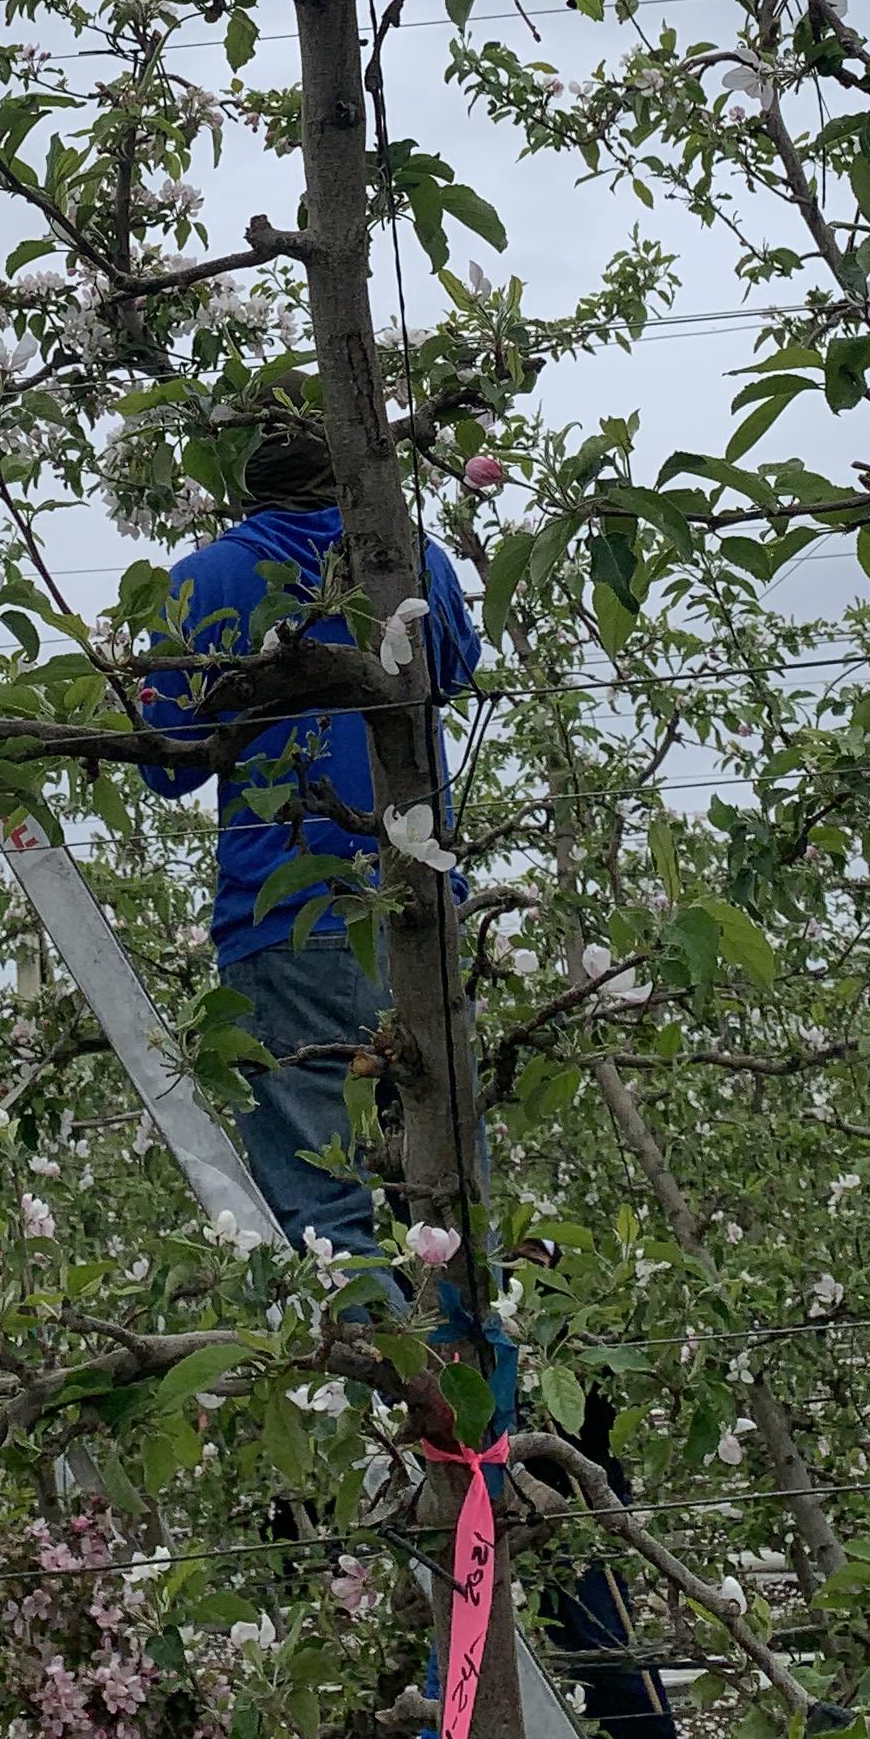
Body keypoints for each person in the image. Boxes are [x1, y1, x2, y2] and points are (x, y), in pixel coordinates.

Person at [137, 415, 500, 1357]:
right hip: (415, 913)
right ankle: (477, 1390)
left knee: (322, 1213)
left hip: (284, 925)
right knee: (449, 1195)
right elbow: (455, 670)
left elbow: (166, 764)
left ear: (245, 490)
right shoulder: (407, 556)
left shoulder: (203, 580)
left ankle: (386, 1396)